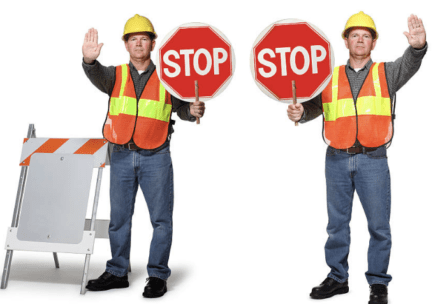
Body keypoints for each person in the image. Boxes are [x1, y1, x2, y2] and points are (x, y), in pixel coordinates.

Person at [287, 12, 427, 304]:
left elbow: (410, 63)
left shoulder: (386, 74)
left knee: (378, 226)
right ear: (346, 41)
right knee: (336, 224)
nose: (360, 40)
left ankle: (378, 283)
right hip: (336, 158)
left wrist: (417, 48)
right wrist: (301, 113)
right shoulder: (328, 75)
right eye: (354, 35)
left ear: (373, 43)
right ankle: (338, 278)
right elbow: (314, 106)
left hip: (373, 160)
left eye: (366, 35)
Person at [82, 14, 205, 298]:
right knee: (119, 219)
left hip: (156, 156)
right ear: (126, 45)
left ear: (152, 43)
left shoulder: (169, 77)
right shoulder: (115, 76)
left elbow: (183, 109)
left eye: (144, 39)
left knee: (161, 219)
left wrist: (193, 112)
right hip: (122, 156)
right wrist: (89, 61)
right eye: (133, 39)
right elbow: (94, 72)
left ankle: (158, 275)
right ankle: (117, 271)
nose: (139, 44)